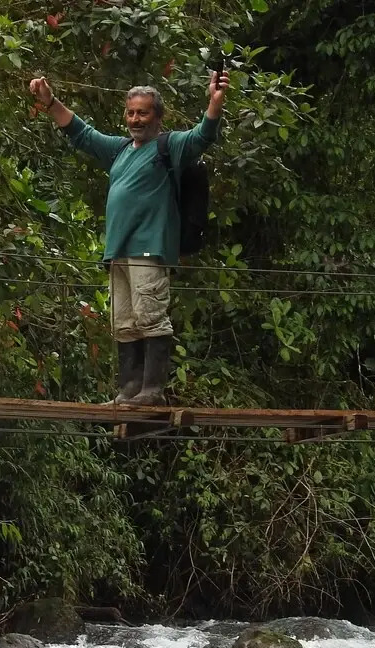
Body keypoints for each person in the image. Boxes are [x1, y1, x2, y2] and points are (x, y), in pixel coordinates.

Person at [28, 69, 228, 406]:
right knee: (123, 322)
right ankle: (129, 390)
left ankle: (152, 390)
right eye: (131, 112)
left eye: (143, 113)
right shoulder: (120, 149)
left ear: (158, 116)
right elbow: (82, 133)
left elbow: (202, 135)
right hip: (118, 252)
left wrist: (215, 102)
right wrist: (50, 102)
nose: (135, 119)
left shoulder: (169, 146)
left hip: (149, 248)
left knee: (150, 316)